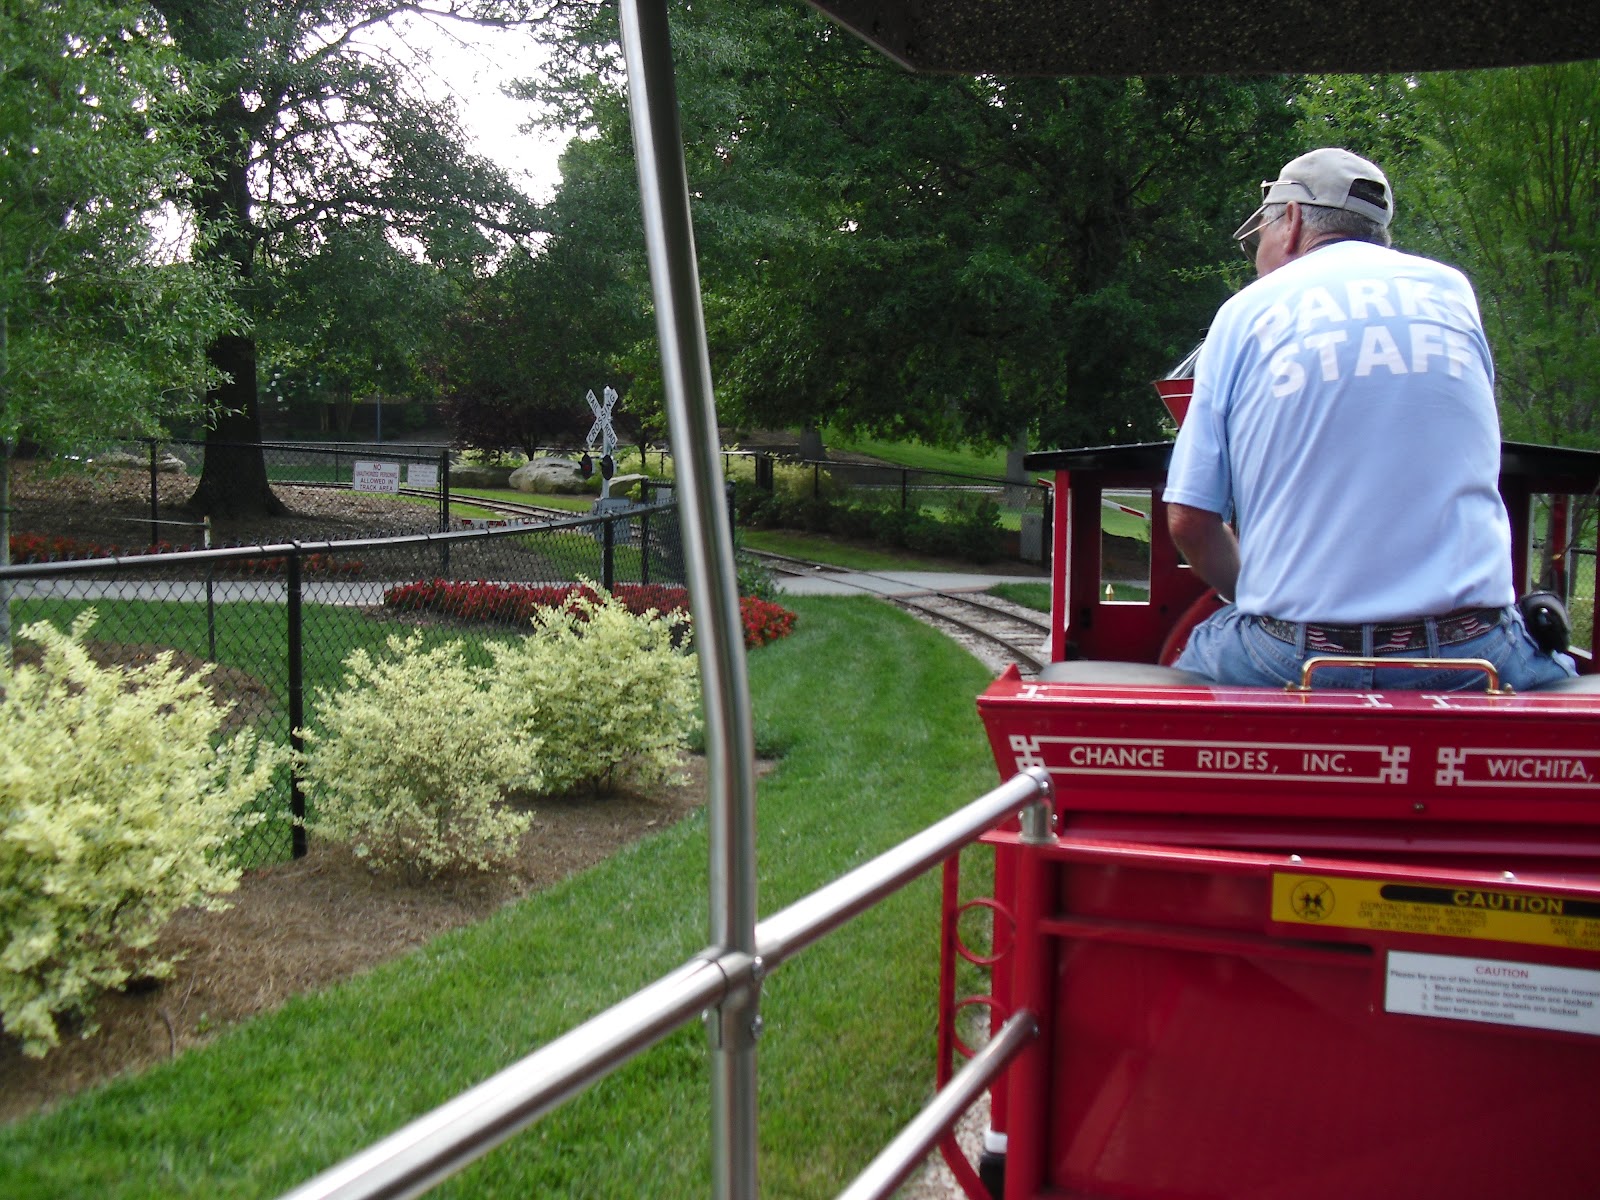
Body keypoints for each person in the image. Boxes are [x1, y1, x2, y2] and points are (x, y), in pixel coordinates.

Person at [1162, 147, 1575, 691]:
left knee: (1195, 652)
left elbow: (1189, 520)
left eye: (1255, 235)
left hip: (1295, 656)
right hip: (1473, 655)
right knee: (1559, 666)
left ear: (1288, 222)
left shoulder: (1246, 311)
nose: (1256, 254)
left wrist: (1257, 598)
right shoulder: (1452, 292)